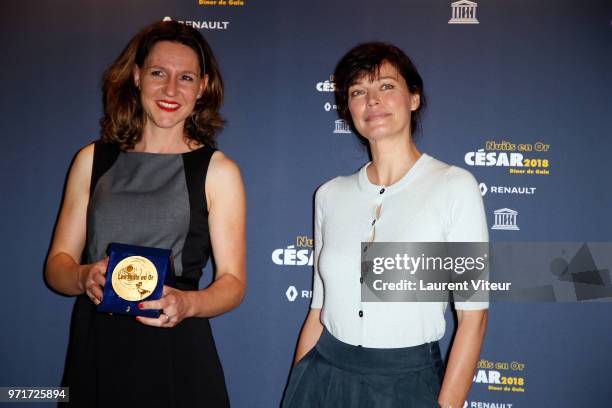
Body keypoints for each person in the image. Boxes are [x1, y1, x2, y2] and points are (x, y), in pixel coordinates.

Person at [45, 20, 246, 407]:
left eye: (185, 77)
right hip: (98, 349)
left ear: (202, 87)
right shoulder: (92, 160)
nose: (171, 89)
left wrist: (187, 304)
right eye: (158, 73)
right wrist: (82, 275)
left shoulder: (218, 171)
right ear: (137, 77)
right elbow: (57, 265)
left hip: (176, 350)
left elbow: (233, 282)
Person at [282, 42, 488, 408]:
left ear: (414, 98)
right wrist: (297, 388)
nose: (372, 100)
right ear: (349, 109)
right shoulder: (330, 194)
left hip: (407, 385)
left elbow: (473, 317)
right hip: (322, 379)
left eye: (386, 86)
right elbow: (318, 310)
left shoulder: (455, 186)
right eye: (358, 92)